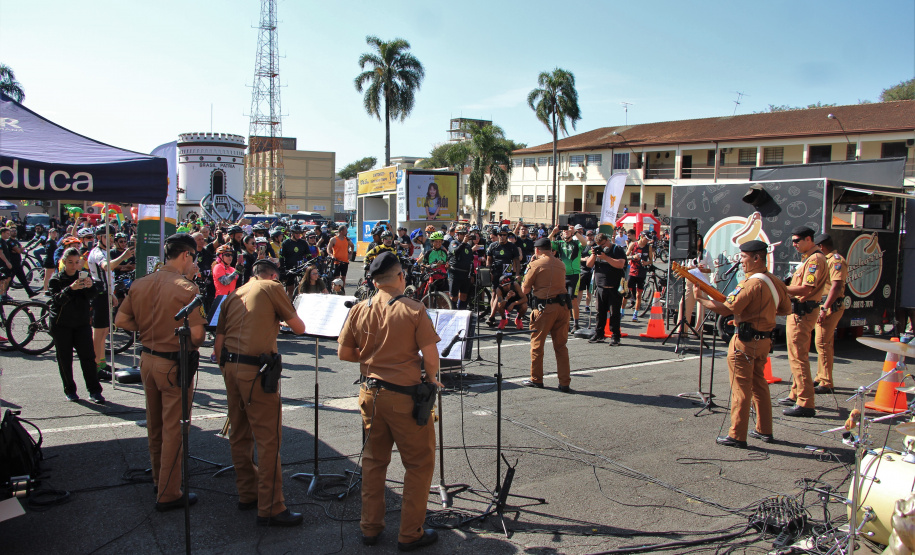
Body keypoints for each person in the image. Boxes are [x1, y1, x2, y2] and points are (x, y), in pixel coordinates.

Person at [337, 251, 443, 550]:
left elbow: (344, 354)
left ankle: (370, 528)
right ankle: (410, 533)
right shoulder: (413, 308)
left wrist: (374, 358)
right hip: (404, 397)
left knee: (373, 463)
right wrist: (432, 380)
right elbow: (431, 356)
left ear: (373, 280)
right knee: (419, 464)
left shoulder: (359, 308)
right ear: (400, 277)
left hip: (370, 393)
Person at [115, 233, 207, 512]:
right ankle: (168, 492)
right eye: (194, 257)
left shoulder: (141, 283)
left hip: (147, 358)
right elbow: (199, 336)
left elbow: (121, 320)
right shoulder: (186, 289)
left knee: (155, 424)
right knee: (175, 428)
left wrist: (148, 328)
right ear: (186, 255)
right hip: (172, 362)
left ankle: (159, 479)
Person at [214, 258, 306, 526]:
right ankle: (271, 507)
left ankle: (248, 493)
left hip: (230, 367)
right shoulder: (272, 287)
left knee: (239, 434)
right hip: (256, 370)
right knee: (268, 440)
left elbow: (218, 342)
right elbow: (298, 327)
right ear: (273, 275)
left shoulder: (234, 294)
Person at [694, 240, 791, 447]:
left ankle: (737, 435)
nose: (741, 261)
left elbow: (727, 307)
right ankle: (765, 430)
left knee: (741, 388)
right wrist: (755, 315)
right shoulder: (774, 281)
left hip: (745, 342)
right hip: (763, 340)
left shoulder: (751, 283)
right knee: (759, 385)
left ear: (756, 258)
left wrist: (700, 299)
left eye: (744, 257)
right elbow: (785, 308)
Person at [778, 226, 828, 418]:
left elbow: (806, 288)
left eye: (797, 240)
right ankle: (796, 393)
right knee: (795, 356)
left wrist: (782, 289)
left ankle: (806, 402)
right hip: (798, 312)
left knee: (799, 358)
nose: (794, 244)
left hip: (802, 313)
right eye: (793, 241)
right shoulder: (809, 259)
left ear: (809, 239)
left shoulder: (815, 259)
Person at [47, 248, 105, 404]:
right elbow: (56, 300)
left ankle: (94, 391)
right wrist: (70, 289)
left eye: (76, 262)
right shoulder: (56, 279)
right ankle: (70, 390)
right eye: (70, 262)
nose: (74, 266)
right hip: (62, 325)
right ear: (64, 262)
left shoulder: (83, 276)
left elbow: (93, 295)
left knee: (88, 357)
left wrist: (89, 286)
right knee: (65, 359)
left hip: (81, 324)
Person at [521, 238, 572, 392]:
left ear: (537, 250)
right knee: (561, 346)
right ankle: (564, 382)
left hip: (545, 307)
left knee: (537, 345)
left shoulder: (535, 264)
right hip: (563, 308)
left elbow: (525, 289)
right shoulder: (561, 264)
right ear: (551, 249)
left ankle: (536, 379)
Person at [88, 225, 135, 378]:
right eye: (106, 236)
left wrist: (112, 294)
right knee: (99, 331)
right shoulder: (97, 253)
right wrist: (123, 256)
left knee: (104, 330)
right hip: (98, 293)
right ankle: (95, 364)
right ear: (99, 237)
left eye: (111, 236)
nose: (110, 239)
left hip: (105, 292)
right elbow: (107, 267)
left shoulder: (104, 251)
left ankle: (101, 362)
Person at [812, 233, 848, 395]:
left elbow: (836, 286)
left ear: (821, 247)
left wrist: (825, 307)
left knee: (823, 343)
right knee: (822, 342)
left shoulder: (836, 261)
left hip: (831, 306)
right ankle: (821, 376)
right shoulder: (827, 260)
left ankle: (826, 381)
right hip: (824, 305)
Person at [586, 233, 627, 345]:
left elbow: (620, 264)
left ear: (607, 240)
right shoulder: (598, 251)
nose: (602, 247)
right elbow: (589, 265)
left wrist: (606, 257)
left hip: (614, 287)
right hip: (600, 287)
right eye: (599, 245)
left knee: (614, 314)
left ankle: (615, 336)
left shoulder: (616, 249)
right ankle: (599, 334)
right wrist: (594, 255)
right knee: (600, 312)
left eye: (603, 244)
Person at [549, 224, 587, 332]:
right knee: (563, 300)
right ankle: (566, 322)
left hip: (574, 275)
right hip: (562, 275)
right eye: (564, 231)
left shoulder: (576, 243)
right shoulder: (560, 244)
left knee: (573, 299)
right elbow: (545, 243)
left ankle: (576, 323)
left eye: (568, 230)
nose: (566, 232)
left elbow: (585, 243)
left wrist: (575, 232)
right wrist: (553, 232)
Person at [679, 235, 713, 330]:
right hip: (690, 280)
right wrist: (691, 268)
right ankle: (682, 329)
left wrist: (703, 269)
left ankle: (698, 330)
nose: (695, 241)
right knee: (684, 303)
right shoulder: (688, 253)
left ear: (700, 241)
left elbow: (712, 269)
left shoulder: (705, 253)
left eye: (697, 239)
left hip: (702, 281)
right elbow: (682, 267)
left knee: (701, 306)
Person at [626, 231, 654, 322]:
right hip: (632, 271)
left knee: (639, 295)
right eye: (646, 239)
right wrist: (633, 257)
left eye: (648, 240)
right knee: (627, 292)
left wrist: (646, 263)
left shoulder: (648, 247)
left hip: (642, 272)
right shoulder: (633, 244)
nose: (647, 241)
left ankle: (635, 314)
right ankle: (621, 311)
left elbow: (651, 260)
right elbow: (625, 256)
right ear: (641, 236)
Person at [447, 226, 474, 309]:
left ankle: (461, 313)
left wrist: (472, 273)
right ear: (457, 234)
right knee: (454, 297)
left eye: (465, 234)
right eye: (461, 234)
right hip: (455, 273)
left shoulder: (468, 246)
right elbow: (455, 252)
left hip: (465, 274)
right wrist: (463, 243)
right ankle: (453, 312)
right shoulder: (454, 243)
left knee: (463, 296)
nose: (463, 235)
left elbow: (471, 260)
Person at [40, 228, 59, 294]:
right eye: (53, 233)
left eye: (55, 233)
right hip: (49, 261)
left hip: (53, 261)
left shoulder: (54, 241)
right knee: (47, 276)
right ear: (50, 233)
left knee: (56, 275)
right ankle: (45, 290)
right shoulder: (49, 241)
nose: (54, 234)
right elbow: (49, 251)